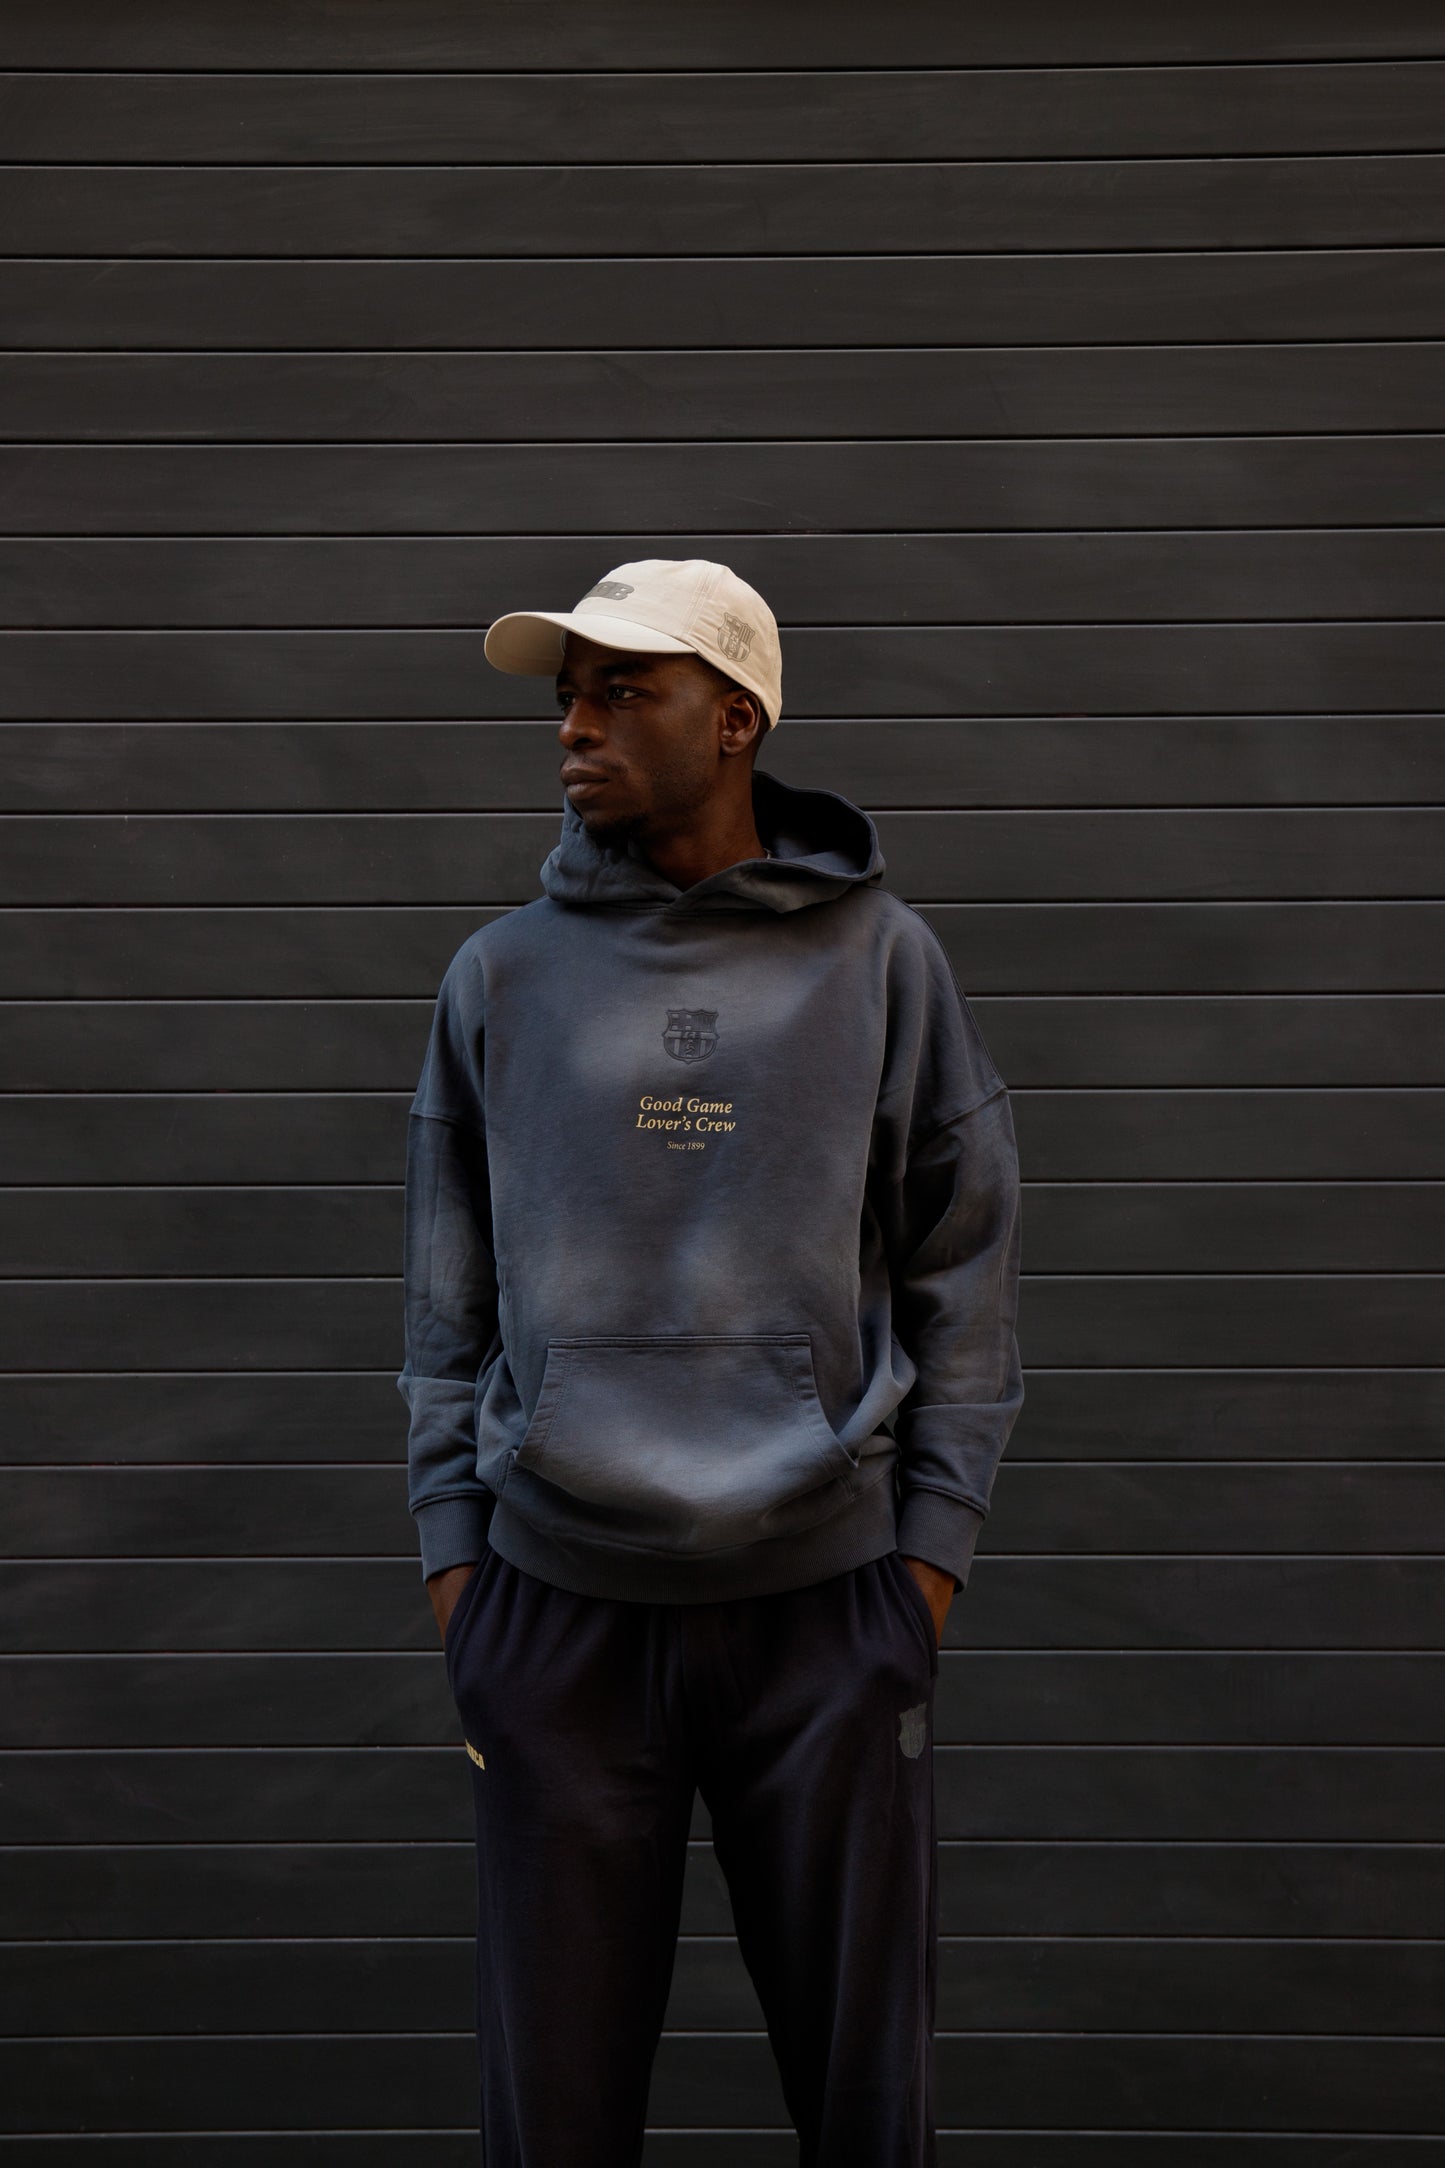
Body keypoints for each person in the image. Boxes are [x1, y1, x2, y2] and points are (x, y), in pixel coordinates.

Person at [396, 557, 1025, 2166]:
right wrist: (463, 1569)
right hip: (558, 1619)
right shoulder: (500, 980)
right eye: (565, 699)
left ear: (734, 719)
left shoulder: (884, 966)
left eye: (624, 692)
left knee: (864, 2110)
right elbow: (445, 1314)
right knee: (557, 2124)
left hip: (824, 1616)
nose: (575, 730)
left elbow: (961, 1271)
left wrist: (921, 1572)